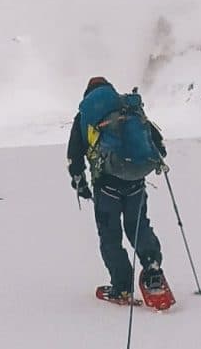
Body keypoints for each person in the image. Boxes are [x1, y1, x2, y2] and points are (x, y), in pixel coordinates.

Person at [68, 77, 169, 304]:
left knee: (110, 237)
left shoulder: (86, 116)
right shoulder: (129, 108)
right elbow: (158, 143)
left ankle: (122, 286)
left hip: (106, 187)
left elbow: (74, 156)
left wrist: (80, 184)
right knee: (138, 227)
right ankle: (152, 268)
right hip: (136, 183)